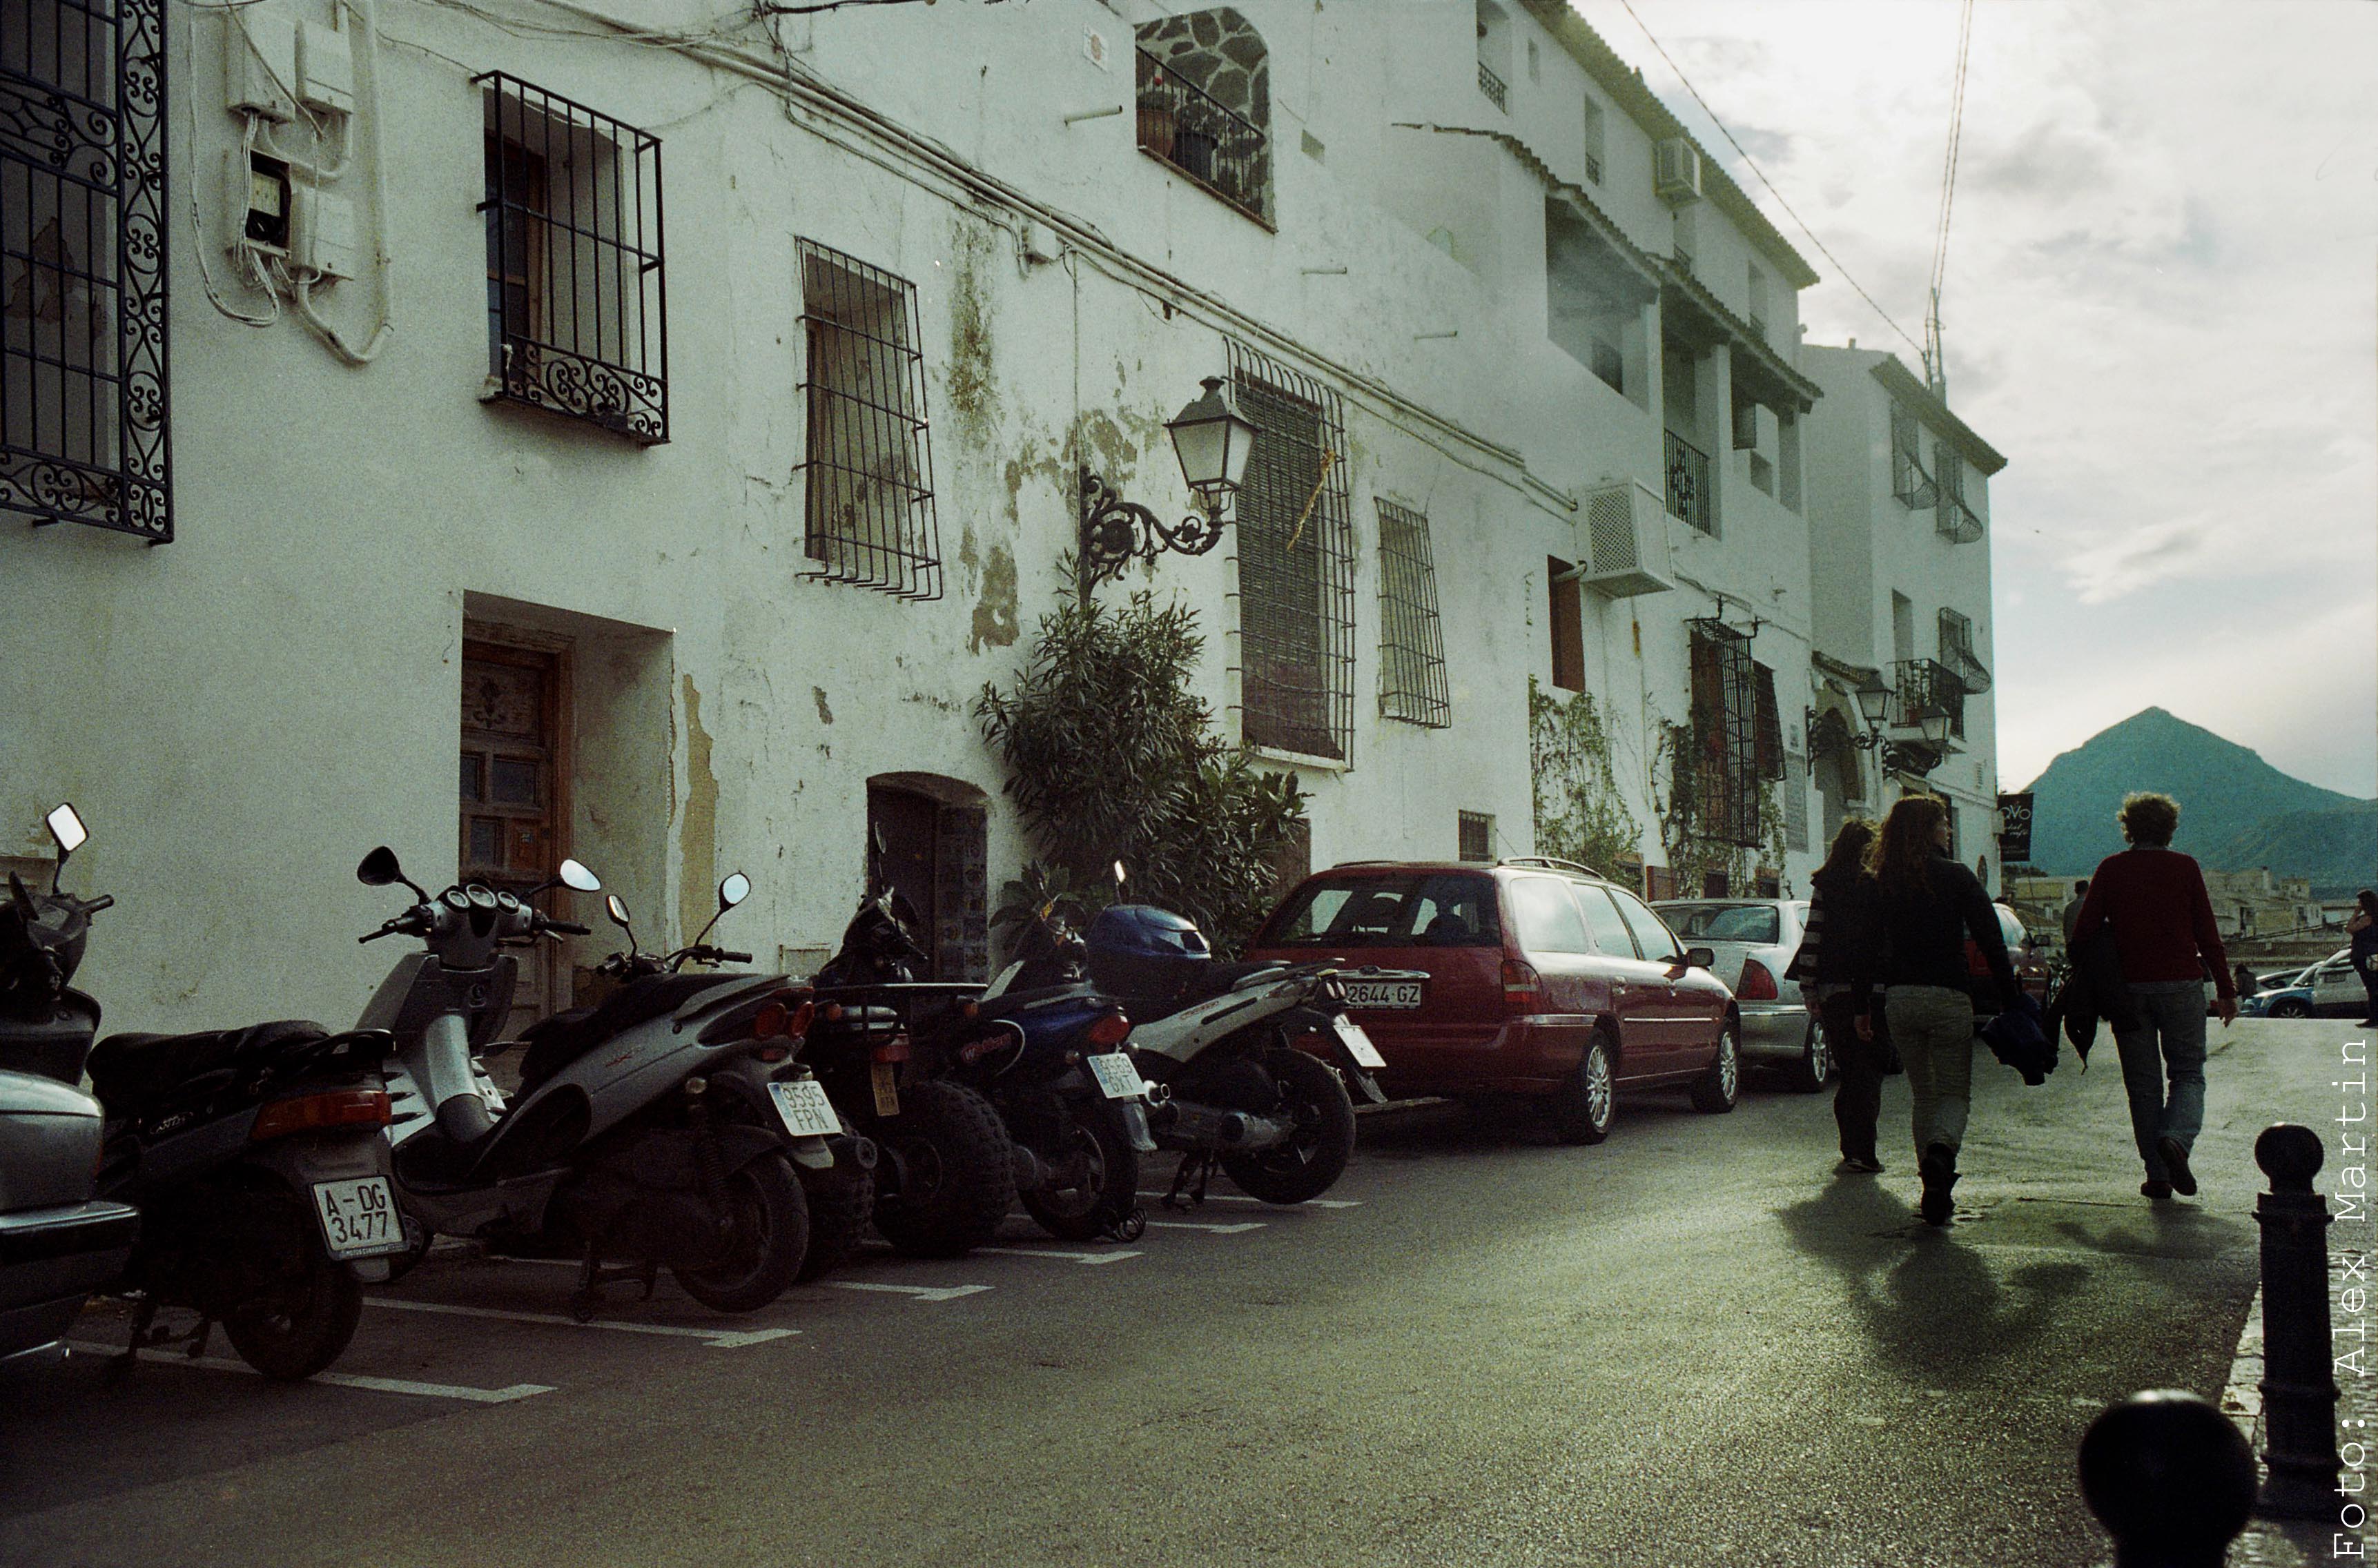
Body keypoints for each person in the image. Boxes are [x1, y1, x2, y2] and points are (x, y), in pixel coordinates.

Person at [1859, 794, 2019, 1226]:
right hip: (1949, 997)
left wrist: (1863, 1008)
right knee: (1953, 1093)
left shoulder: (1882, 881)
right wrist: (2011, 997)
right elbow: (1991, 940)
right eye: (1943, 823)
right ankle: (1941, 1154)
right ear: (1929, 830)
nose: (1948, 830)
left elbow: (1868, 950)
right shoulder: (1957, 877)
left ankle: (1933, 1188)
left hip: (1901, 999)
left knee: (1923, 1095)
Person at [2070, 792, 2236, 1202]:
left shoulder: (2111, 869)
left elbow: (2083, 936)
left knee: (2142, 1086)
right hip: (2181, 983)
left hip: (2128, 992)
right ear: (2170, 828)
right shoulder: (2184, 867)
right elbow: (2207, 934)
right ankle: (2177, 1139)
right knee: (2187, 1073)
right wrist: (2227, 990)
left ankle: (2157, 1176)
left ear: (2128, 826)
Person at [1786, 819, 1887, 1174]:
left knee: (1849, 1069)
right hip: (1874, 993)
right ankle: (1866, 1150)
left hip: (1832, 993)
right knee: (1869, 1071)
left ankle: (1852, 1148)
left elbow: (1812, 938)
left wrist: (1808, 987)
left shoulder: (1826, 885)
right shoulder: (1878, 885)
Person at [2350, 890, 2378, 1027]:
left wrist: (2356, 912)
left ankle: (2373, 1019)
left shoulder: (2367, 918)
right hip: (2373, 957)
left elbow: (2350, 928)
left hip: (2364, 957)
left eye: (2360, 902)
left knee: (2372, 989)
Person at [2061, 879, 2092, 950]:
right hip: (2090, 947)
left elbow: (2066, 929)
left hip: (2073, 947)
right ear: (2088, 890)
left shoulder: (2069, 908)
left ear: (2075, 891)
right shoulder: (2092, 906)